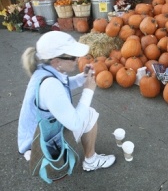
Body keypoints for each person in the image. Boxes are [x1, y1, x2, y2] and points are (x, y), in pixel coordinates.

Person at [18, 31, 116, 172]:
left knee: (84, 113)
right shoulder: (50, 86)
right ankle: (91, 161)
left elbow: (63, 84)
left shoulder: (45, 69)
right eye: (73, 57)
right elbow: (75, 123)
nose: (77, 59)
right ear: (56, 61)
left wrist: (82, 78)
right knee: (89, 114)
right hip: (41, 146)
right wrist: (88, 90)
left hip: (38, 136)